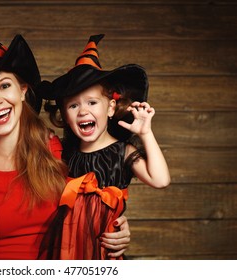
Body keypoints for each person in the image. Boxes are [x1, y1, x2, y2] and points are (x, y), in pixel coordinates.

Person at [0, 26, 130, 260]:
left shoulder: (57, 150)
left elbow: (92, 205)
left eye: (4, 85)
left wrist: (115, 226)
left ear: (23, 90)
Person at [37, 34, 170, 260]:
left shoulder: (122, 152)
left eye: (92, 102)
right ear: (65, 116)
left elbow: (160, 180)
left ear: (110, 108)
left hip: (103, 253)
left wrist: (146, 133)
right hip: (65, 252)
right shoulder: (65, 153)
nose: (83, 111)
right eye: (73, 105)